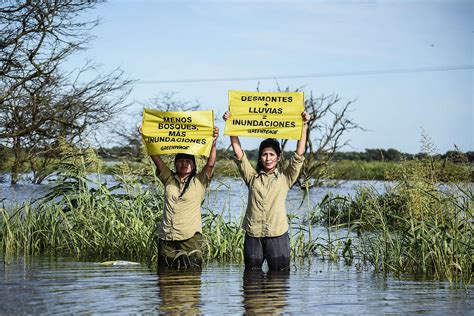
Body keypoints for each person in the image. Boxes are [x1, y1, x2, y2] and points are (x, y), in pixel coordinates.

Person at [223, 111, 310, 271]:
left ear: (278, 157)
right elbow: (239, 154)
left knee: (279, 280)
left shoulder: (286, 177)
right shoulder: (251, 177)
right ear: (260, 157)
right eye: (264, 155)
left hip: (278, 235)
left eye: (271, 154)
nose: (268, 158)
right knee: (251, 281)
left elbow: (299, 154)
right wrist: (230, 124)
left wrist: (304, 125)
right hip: (253, 235)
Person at [147, 126, 219, 270]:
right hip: (167, 236)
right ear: (175, 163)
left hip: (190, 237)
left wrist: (213, 142)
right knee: (165, 276)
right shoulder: (168, 178)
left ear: (193, 165)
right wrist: (147, 136)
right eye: (180, 161)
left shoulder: (199, 181)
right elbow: (155, 157)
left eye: (188, 161)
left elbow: (210, 164)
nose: (184, 164)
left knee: (192, 276)